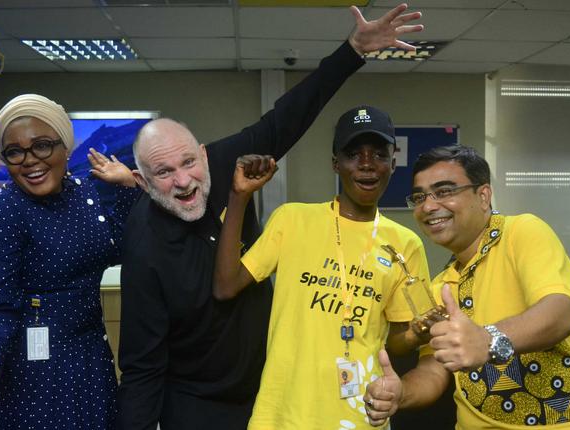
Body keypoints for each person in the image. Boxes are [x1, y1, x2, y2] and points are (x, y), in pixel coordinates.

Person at [115, 4, 426, 429]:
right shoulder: (143, 239)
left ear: (203, 154)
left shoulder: (226, 163)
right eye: (164, 173)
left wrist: (353, 50)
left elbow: (288, 117)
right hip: (195, 400)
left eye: (189, 162)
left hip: (266, 389)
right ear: (143, 181)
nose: (184, 181)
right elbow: (141, 362)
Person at [0, 94, 139, 430]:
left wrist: (127, 187)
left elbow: (120, 249)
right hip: (30, 374)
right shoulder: (4, 211)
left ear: (65, 147)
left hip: (89, 360)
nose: (29, 160)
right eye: (14, 152)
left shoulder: (85, 193)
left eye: (42, 145)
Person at [212, 105, 432, 429]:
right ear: (335, 164)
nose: (367, 164)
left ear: (393, 163)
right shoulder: (292, 219)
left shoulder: (405, 243)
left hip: (361, 412)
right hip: (283, 413)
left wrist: (416, 332)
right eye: (354, 154)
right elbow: (225, 285)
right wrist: (238, 196)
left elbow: (397, 339)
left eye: (379, 154)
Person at [363, 145, 570, 429]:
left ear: (483, 196)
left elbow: (562, 313)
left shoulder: (522, 232)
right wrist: (400, 394)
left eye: (444, 191)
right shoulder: (441, 285)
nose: (428, 206)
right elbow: (434, 371)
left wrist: (487, 339)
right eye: (419, 197)